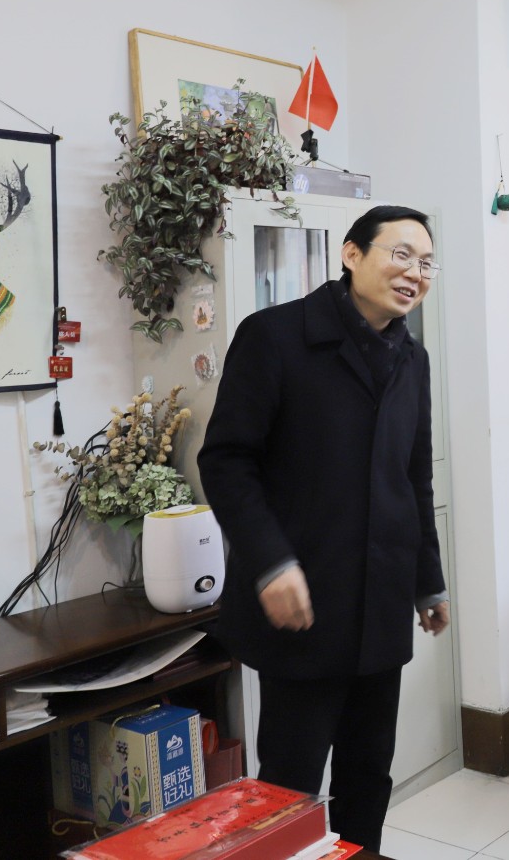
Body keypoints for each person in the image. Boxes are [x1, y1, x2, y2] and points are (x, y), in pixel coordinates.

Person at [199, 204, 450, 852]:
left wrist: (427, 581)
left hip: (382, 599)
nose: (415, 273)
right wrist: (269, 561)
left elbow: (413, 476)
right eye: (401, 255)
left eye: (427, 264)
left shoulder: (412, 358)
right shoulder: (276, 336)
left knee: (368, 773)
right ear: (351, 254)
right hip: (303, 603)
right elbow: (225, 461)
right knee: (289, 785)